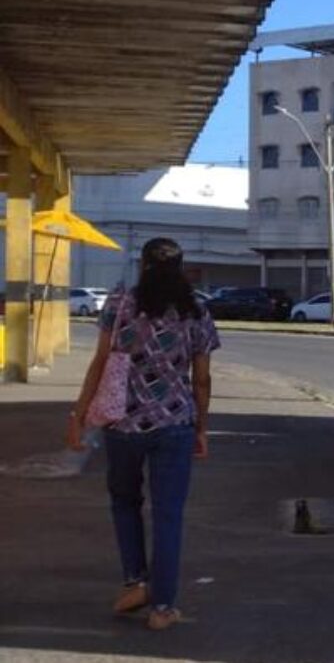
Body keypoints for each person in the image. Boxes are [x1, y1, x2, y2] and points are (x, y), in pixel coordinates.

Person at [69, 238, 219, 631]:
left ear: (144, 266)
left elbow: (100, 362)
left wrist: (79, 414)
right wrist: (202, 427)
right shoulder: (197, 311)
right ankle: (163, 607)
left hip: (123, 425)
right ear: (181, 267)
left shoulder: (120, 304)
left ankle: (136, 581)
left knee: (124, 503)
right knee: (168, 515)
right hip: (175, 426)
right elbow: (201, 380)